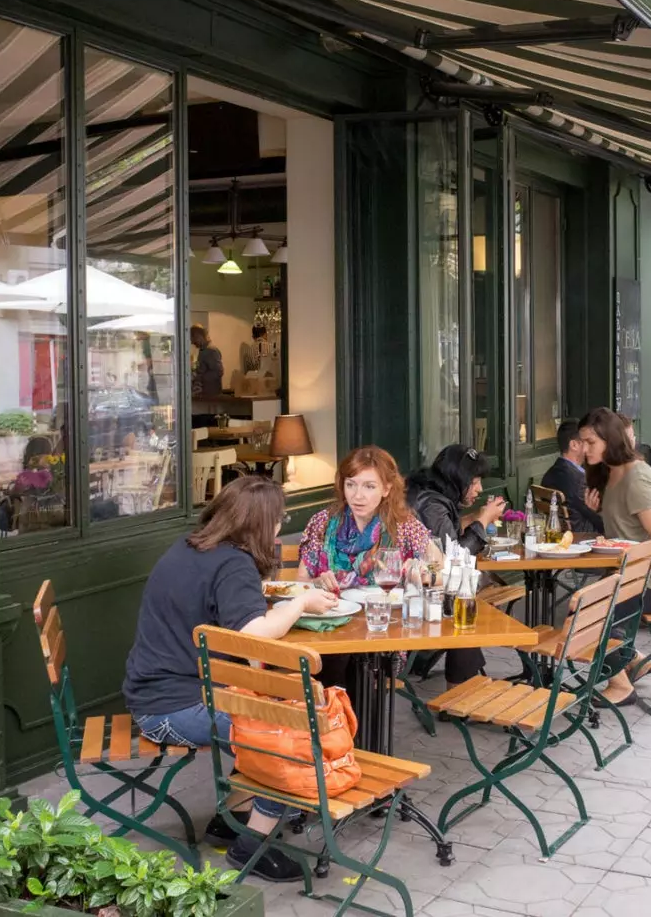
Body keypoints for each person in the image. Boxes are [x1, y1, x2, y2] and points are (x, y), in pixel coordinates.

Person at [123, 476, 337, 881]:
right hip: (171, 707)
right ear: (261, 523)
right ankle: (250, 846)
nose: (279, 526)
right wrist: (301, 602)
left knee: (264, 713)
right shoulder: (232, 563)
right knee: (289, 735)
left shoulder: (191, 546)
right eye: (279, 519)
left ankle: (233, 816)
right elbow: (254, 634)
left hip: (155, 693)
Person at [579, 407, 651, 706]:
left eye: (590, 442)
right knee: (583, 614)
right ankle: (636, 660)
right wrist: (596, 511)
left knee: (588, 618)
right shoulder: (610, 472)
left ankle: (621, 686)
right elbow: (627, 527)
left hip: (646, 580)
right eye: (583, 441)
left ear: (610, 440)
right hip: (624, 575)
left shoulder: (636, 478)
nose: (584, 449)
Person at [406, 444, 506, 686]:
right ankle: (460, 686)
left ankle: (463, 682)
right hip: (420, 593)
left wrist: (472, 520)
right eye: (475, 481)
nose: (479, 489)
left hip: (426, 587)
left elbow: (443, 536)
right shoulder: (432, 504)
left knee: (469, 596)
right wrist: (482, 520)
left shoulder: (428, 493)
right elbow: (453, 558)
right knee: (466, 597)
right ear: (457, 478)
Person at [299, 446, 430, 591]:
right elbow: (301, 580)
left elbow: (439, 571)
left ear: (386, 489)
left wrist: (422, 574)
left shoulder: (406, 526)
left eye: (369, 486)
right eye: (350, 485)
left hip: (388, 611)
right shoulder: (322, 523)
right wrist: (318, 583)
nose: (358, 496)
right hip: (334, 609)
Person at [541, 420, 604, 534]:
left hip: (562, 535)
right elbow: (602, 522)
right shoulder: (579, 481)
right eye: (586, 442)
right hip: (584, 538)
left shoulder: (550, 474)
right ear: (574, 445)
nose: (588, 448)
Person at [190, 324, 225, 410]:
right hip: (206, 397)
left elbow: (218, 372)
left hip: (210, 398)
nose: (192, 342)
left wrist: (199, 377)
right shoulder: (204, 351)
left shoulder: (210, 351)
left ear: (199, 336)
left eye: (193, 339)